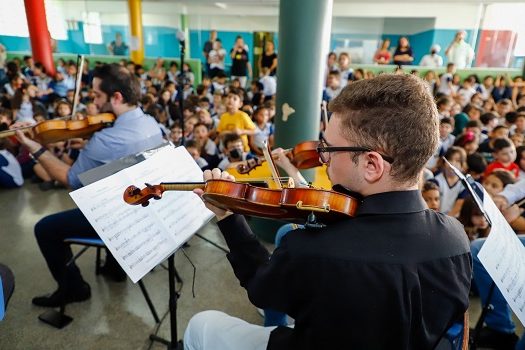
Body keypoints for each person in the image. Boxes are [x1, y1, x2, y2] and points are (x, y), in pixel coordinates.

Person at [184, 74, 472, 350]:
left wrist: (227, 215)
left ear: (372, 165)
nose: (322, 159)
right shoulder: (456, 238)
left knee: (201, 325)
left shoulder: (317, 250)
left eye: (330, 149)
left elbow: (262, 287)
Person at [13, 63, 164, 307]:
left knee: (45, 228)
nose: (92, 101)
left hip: (116, 216)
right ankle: (114, 268)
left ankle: (74, 288)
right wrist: (90, 146)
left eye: (96, 96)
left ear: (116, 97)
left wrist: (34, 147)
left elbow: (70, 179)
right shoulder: (150, 124)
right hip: (142, 206)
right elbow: (121, 160)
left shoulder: (106, 139)